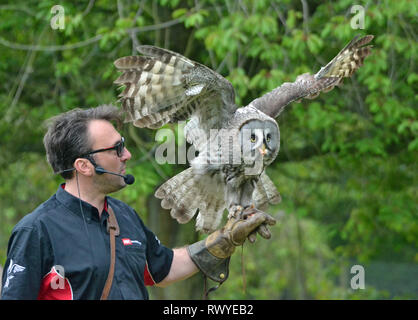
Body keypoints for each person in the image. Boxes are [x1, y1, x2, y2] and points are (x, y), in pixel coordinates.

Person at [1, 105, 275, 300]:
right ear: (84, 165)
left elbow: (164, 267)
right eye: (117, 149)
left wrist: (226, 239)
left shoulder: (123, 216)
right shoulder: (36, 231)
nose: (128, 154)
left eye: (125, 145)